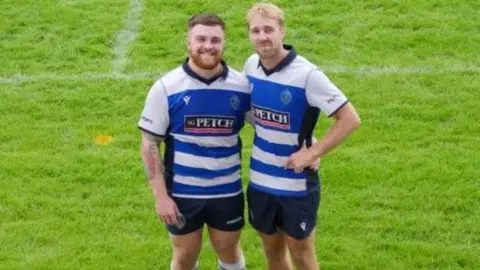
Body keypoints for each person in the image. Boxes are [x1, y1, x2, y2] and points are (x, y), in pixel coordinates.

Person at [242, 3, 361, 270]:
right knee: (272, 253)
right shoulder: (250, 67)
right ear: (249, 34)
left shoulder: (307, 75)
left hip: (296, 184)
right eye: (256, 30)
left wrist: (312, 152)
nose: (263, 36)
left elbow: (350, 119)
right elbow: (252, 114)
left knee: (303, 256)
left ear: (282, 31)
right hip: (260, 180)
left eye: (269, 29)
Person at [137, 13, 250, 270]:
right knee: (185, 256)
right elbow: (150, 144)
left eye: (215, 40)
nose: (208, 45)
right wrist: (161, 197)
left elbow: (268, 123)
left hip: (227, 190)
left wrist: (308, 144)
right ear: (188, 42)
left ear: (224, 43)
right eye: (200, 39)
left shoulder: (242, 86)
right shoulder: (167, 87)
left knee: (228, 251)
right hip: (182, 194)